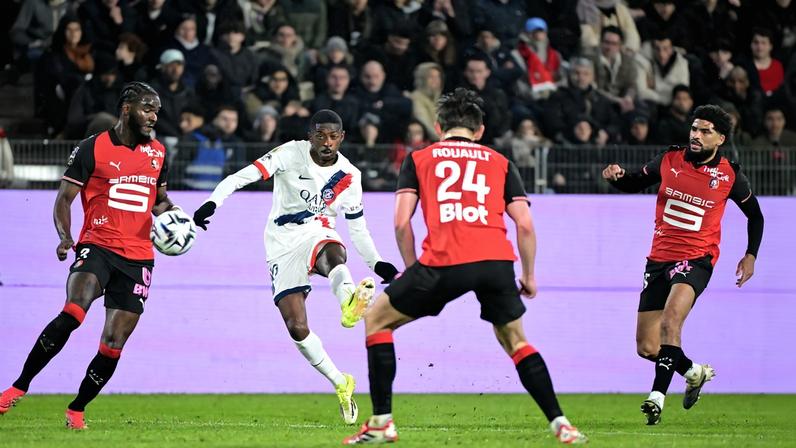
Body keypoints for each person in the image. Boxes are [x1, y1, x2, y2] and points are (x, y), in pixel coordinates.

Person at [342, 88, 588, 445]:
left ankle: (381, 422)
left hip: (444, 261)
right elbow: (525, 224)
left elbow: (400, 222)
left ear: (439, 125)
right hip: (495, 261)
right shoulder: (500, 162)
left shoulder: (420, 158)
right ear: (480, 130)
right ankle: (562, 425)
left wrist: (413, 270)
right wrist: (529, 275)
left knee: (377, 320)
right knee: (516, 341)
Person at [192, 109, 398, 425]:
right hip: (280, 241)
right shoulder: (290, 153)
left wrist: (378, 263)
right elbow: (241, 176)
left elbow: (357, 228)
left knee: (332, 254)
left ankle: (348, 302)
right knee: (297, 327)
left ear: (341, 137)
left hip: (318, 231)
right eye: (320, 135)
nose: (327, 142)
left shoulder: (349, 176)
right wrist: (213, 202)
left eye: (333, 136)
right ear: (310, 136)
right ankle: (341, 382)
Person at [0, 82, 179, 429]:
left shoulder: (157, 152)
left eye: (157, 110)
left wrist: (176, 217)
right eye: (147, 108)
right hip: (97, 245)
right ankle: (17, 388)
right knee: (74, 310)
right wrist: (66, 237)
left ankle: (77, 408)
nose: (154, 117)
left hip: (139, 258)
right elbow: (64, 199)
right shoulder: (91, 148)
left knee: (113, 344)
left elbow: (159, 200)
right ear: (126, 108)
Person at [601, 104, 764, 425]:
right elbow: (634, 183)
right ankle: (694, 372)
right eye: (694, 129)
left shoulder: (730, 175)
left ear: (719, 139)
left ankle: (656, 398)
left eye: (705, 131)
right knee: (647, 347)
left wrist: (751, 255)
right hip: (658, 259)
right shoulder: (669, 160)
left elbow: (755, 215)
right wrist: (616, 177)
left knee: (671, 321)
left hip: (697, 259)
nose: (696, 135)